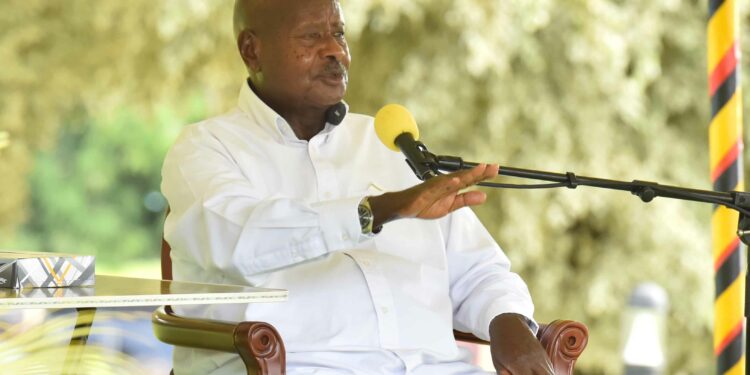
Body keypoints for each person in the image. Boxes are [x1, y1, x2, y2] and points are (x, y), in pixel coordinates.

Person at [161, 0, 553, 374]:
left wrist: (508, 320)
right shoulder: (205, 148)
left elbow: (481, 270)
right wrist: (379, 210)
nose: (336, 50)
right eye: (312, 37)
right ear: (252, 50)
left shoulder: (392, 145)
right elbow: (238, 239)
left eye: (340, 33)